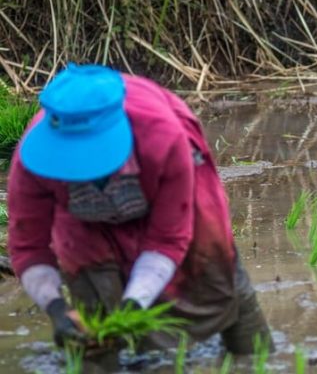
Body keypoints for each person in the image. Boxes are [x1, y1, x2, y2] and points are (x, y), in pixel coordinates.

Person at [7, 64, 273, 355]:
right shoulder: (33, 159)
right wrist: (56, 309)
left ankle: (251, 352)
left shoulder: (164, 137)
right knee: (93, 311)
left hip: (158, 180)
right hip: (80, 218)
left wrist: (133, 304)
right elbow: (28, 246)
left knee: (212, 270)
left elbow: (168, 239)